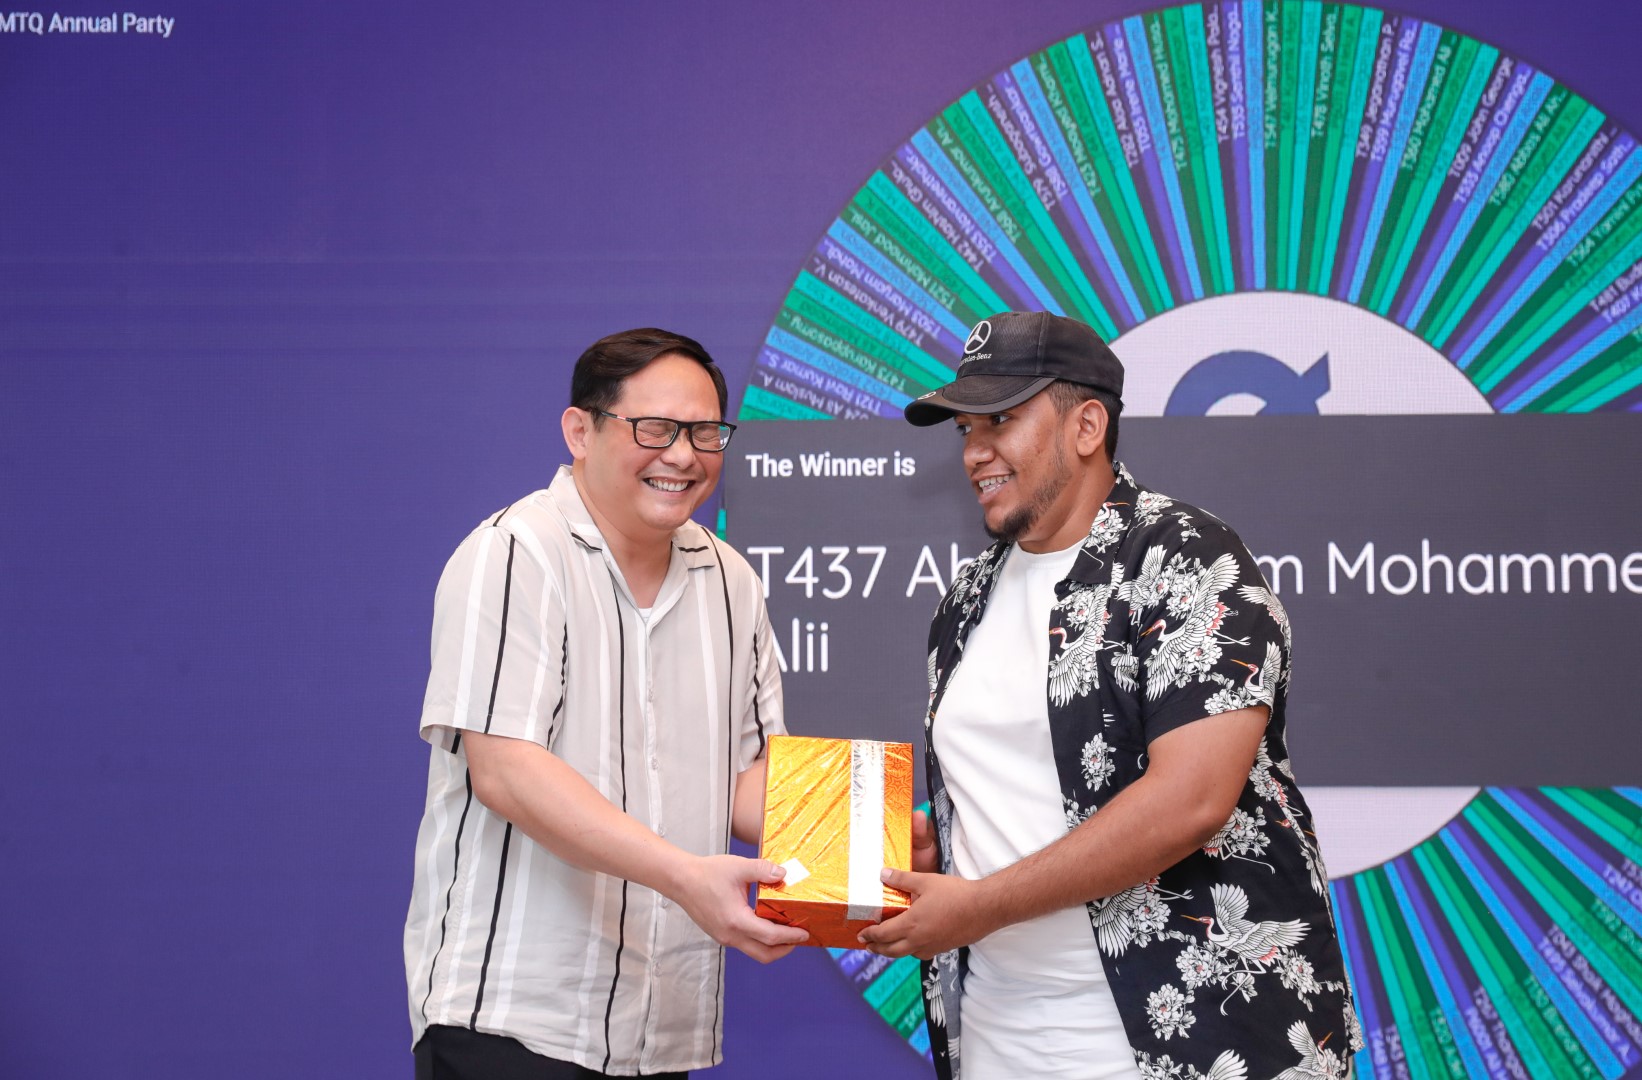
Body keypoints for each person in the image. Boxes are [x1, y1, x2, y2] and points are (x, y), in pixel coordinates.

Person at [860, 311, 1362, 1080]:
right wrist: (940, 847)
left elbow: (1192, 801)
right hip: (1000, 1036)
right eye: (965, 428)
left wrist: (980, 904)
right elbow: (1013, 792)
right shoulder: (965, 598)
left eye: (1000, 420)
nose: (975, 451)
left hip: (1187, 1039)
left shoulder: (1187, 559)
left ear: (1087, 425)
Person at [404, 328, 806, 1079]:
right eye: (654, 428)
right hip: (514, 1023)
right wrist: (684, 876)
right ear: (579, 431)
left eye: (705, 433)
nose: (682, 455)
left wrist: (867, 843)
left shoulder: (732, 582)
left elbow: (749, 779)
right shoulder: (516, 552)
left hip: (663, 1026)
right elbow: (506, 772)